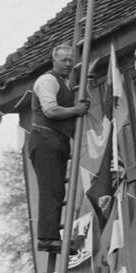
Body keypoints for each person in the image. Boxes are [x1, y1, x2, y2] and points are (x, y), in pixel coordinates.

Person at [29, 43, 90, 253]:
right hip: (45, 139)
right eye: (63, 60)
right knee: (50, 190)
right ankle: (47, 238)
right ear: (54, 60)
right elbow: (51, 111)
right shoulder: (47, 80)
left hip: (56, 141)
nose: (67, 64)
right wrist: (77, 110)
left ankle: (52, 236)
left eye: (70, 60)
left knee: (57, 189)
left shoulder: (64, 82)